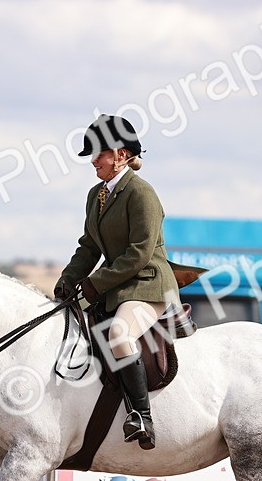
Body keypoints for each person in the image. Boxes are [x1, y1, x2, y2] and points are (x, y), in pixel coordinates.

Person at [54, 114, 181, 451]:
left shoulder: (142, 194)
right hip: (118, 287)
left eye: (99, 154)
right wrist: (69, 279)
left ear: (121, 155)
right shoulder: (97, 194)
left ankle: (141, 415)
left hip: (148, 285)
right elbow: (90, 246)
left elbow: (139, 253)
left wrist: (96, 283)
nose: (93, 161)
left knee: (118, 334)